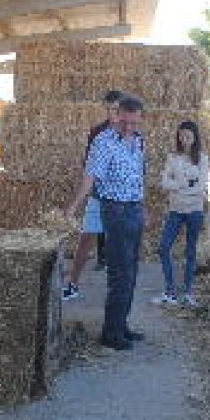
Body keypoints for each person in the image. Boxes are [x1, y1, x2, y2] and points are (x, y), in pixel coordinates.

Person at [66, 94, 147, 351]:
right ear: (116, 115)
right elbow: (90, 178)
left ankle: (121, 325)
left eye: (134, 123)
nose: (128, 127)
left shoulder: (139, 141)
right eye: (124, 122)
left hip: (134, 208)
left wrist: (142, 207)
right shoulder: (102, 142)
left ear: (140, 119)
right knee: (120, 272)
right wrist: (73, 206)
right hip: (115, 210)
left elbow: (137, 177)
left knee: (131, 270)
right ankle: (110, 334)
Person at [61, 90, 122, 301]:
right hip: (98, 194)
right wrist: (75, 203)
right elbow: (89, 166)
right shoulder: (98, 133)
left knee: (120, 244)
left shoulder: (132, 133)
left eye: (116, 109)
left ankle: (118, 290)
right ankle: (72, 283)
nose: (112, 114)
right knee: (85, 240)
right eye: (108, 109)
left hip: (121, 200)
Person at [152, 120, 210, 307]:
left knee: (190, 251)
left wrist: (178, 187)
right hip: (175, 210)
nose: (184, 140)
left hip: (194, 210)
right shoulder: (173, 157)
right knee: (164, 247)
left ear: (195, 138)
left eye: (188, 136)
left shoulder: (202, 159)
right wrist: (182, 185)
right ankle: (170, 290)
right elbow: (164, 182)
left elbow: (201, 187)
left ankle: (188, 292)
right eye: (181, 136)